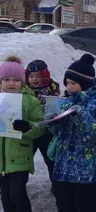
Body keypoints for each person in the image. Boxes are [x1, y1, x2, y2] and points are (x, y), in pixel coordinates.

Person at [46, 54, 96, 212]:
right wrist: (52, 123)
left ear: (85, 83)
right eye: (67, 83)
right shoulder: (66, 101)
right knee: (64, 206)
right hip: (63, 165)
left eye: (73, 83)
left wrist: (81, 113)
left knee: (87, 206)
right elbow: (60, 133)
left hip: (85, 168)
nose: (69, 87)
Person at [0, 56, 45, 212]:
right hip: (1, 159)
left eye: (16, 80)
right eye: (6, 79)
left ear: (22, 81)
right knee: (5, 196)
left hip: (20, 155)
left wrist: (27, 127)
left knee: (17, 194)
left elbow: (40, 128)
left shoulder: (30, 100)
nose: (11, 83)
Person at [25, 59, 60, 194]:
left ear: (44, 76)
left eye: (38, 76)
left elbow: (55, 105)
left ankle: (56, 185)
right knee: (25, 159)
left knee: (50, 159)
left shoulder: (52, 87)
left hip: (46, 132)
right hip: (30, 131)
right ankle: (19, 182)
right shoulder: (24, 89)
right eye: (31, 76)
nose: (34, 79)